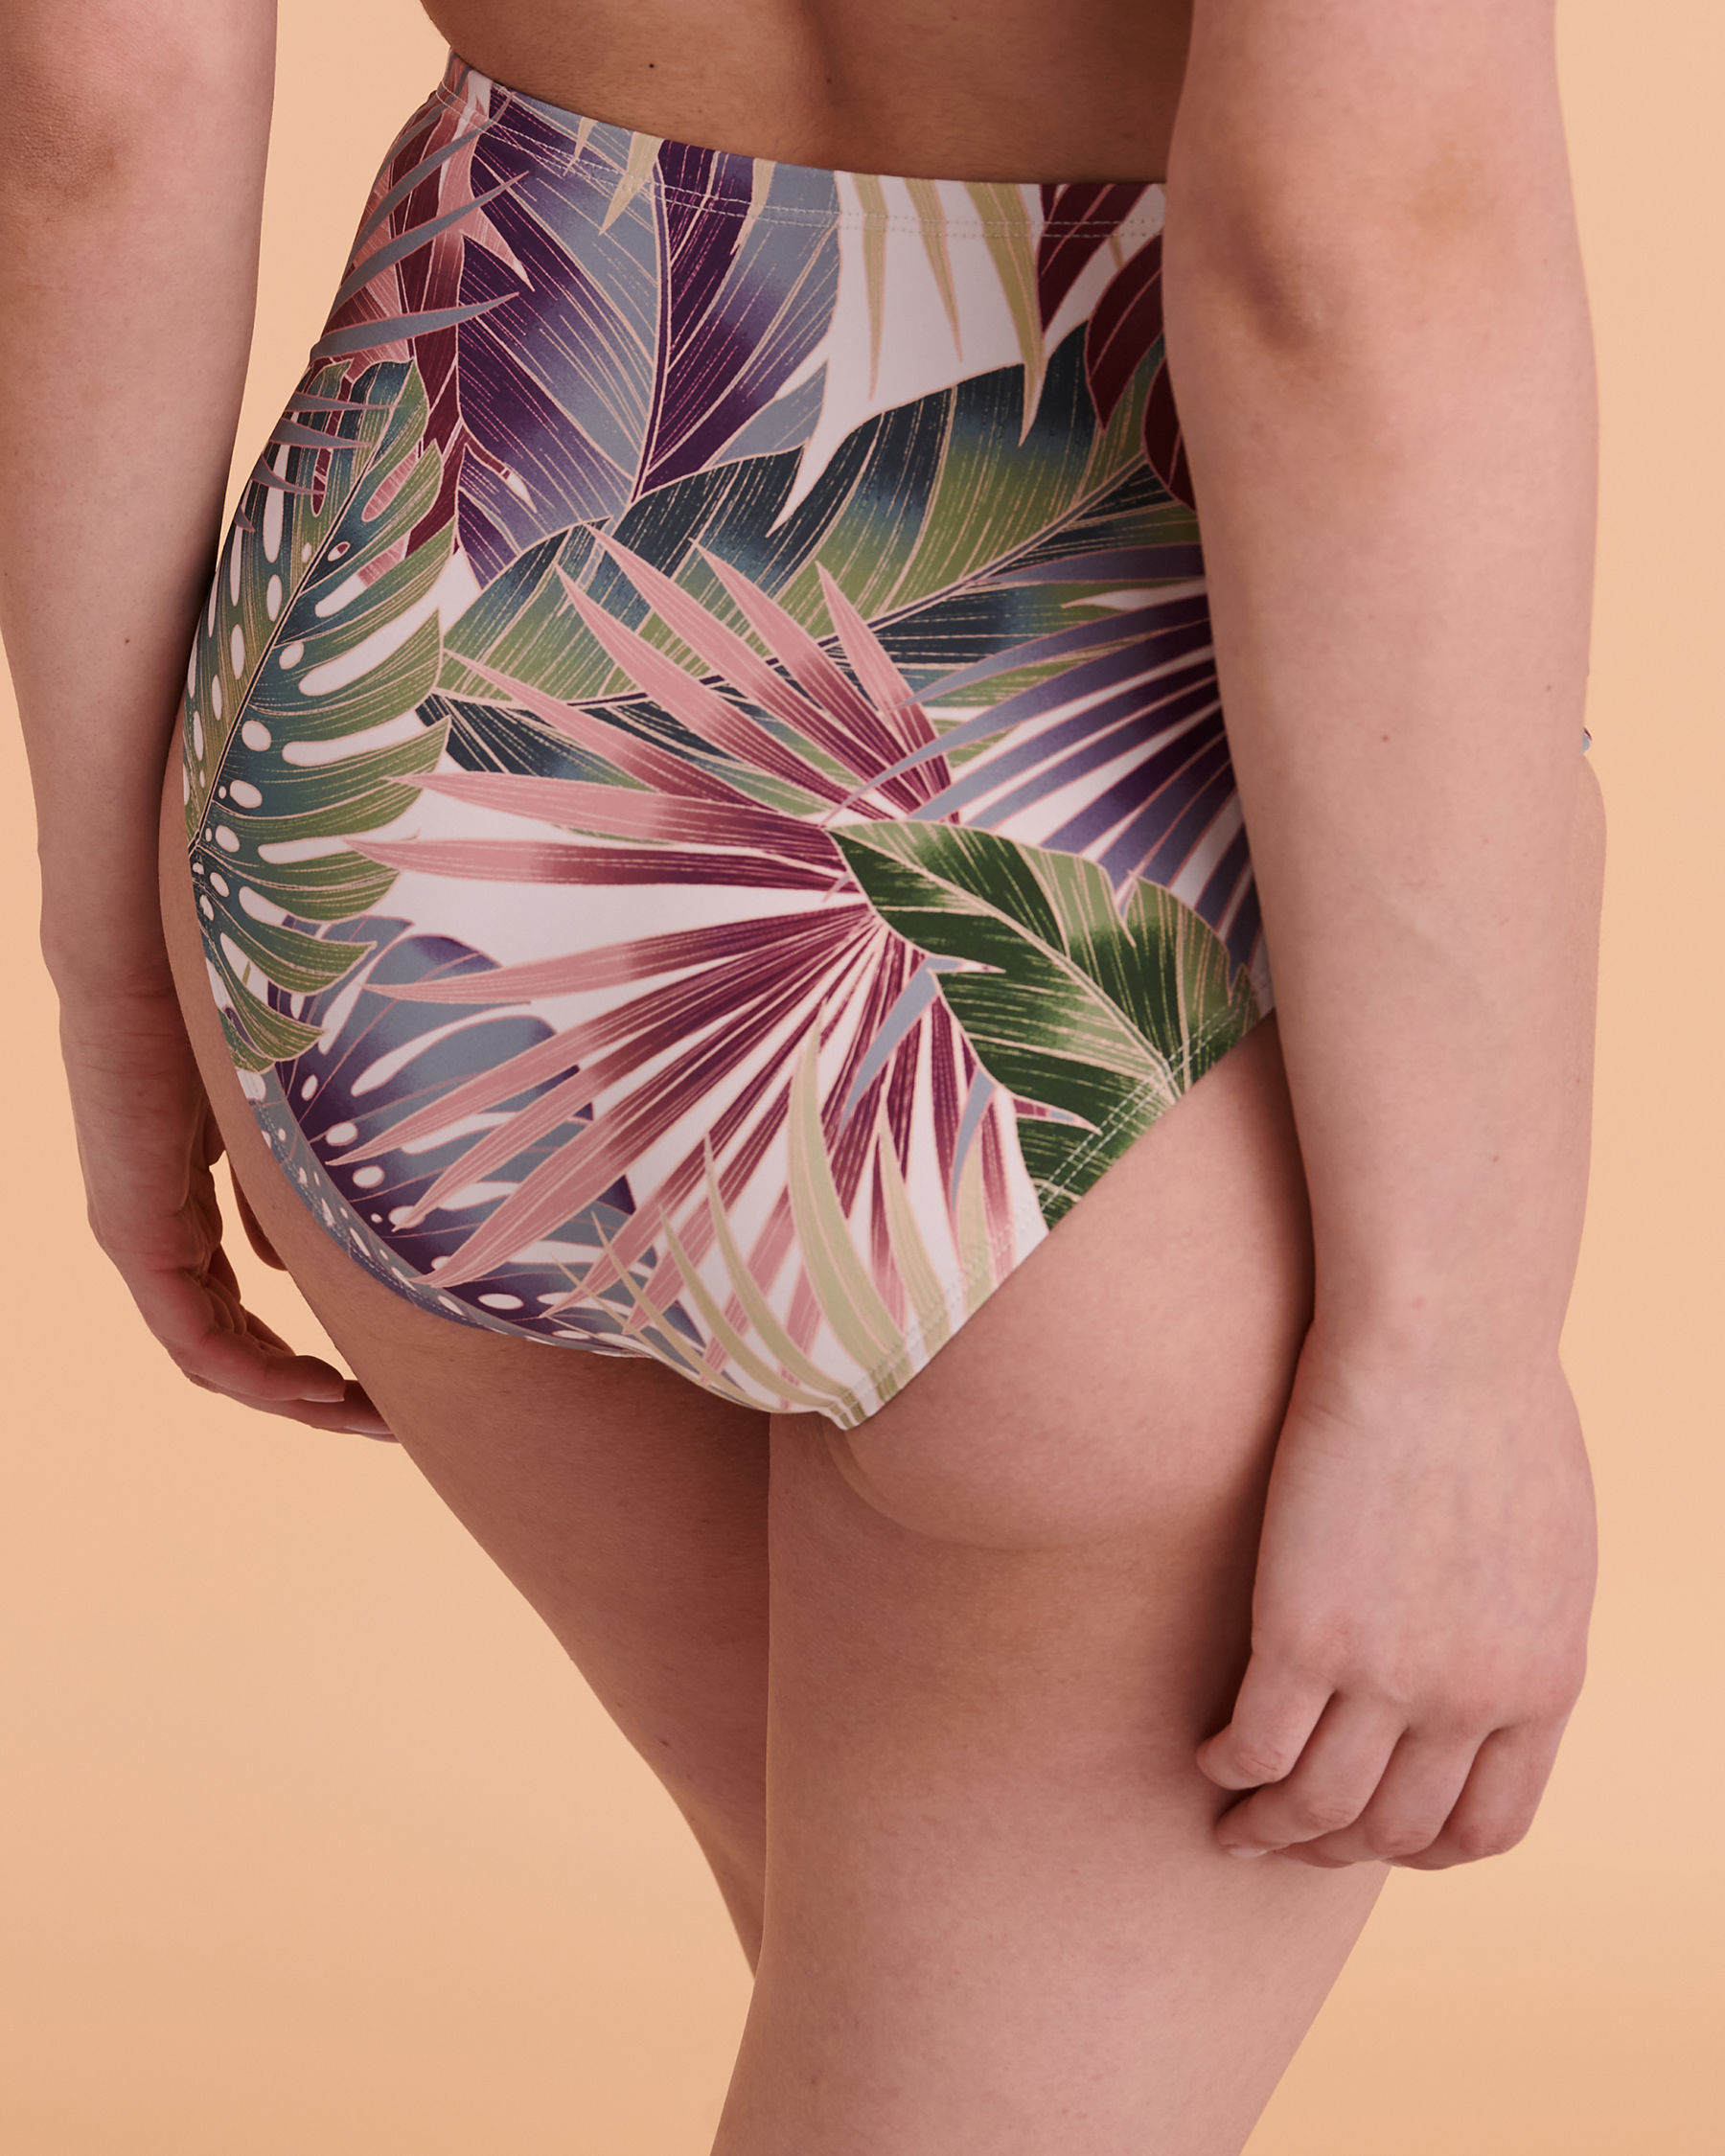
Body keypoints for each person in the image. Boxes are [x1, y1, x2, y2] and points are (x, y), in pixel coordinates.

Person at [0, 0, 1605, 2146]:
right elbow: (1353, 240)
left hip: (397, 723)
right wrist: (1449, 1353)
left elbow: (100, 93)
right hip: (1046, 839)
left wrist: (119, 963)